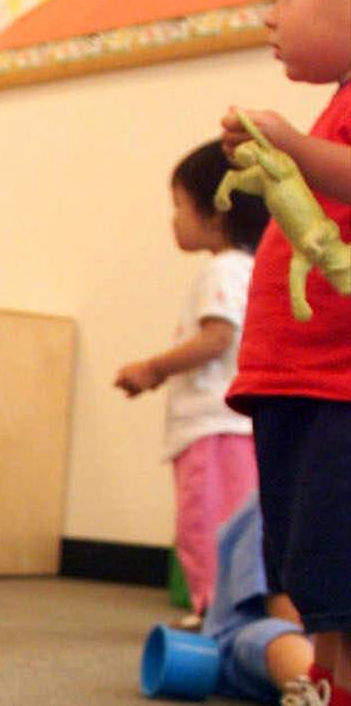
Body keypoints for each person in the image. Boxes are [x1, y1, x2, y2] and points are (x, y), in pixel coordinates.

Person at [217, 0, 351, 706]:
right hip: (298, 381)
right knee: (308, 569)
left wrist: (294, 150)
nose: (272, 11)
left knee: (340, 566)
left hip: (340, 383)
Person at [114, 141, 267, 629]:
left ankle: (214, 613)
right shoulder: (249, 268)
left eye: (179, 206)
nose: (173, 220)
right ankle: (233, 608)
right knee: (237, 526)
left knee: (204, 523)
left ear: (216, 212)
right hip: (234, 426)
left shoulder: (221, 269)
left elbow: (217, 337)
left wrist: (153, 369)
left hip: (211, 426)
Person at [201, 492, 318, 706]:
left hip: (330, 642)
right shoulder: (277, 503)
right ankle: (326, 701)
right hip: (253, 630)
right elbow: (286, 610)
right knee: (277, 637)